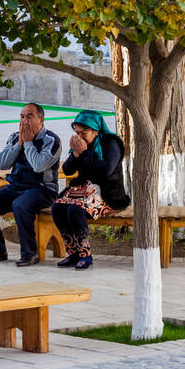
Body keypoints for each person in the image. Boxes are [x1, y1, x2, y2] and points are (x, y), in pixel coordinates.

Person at [0, 102, 62, 266]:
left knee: (20, 205)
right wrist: (19, 144)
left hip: (42, 189)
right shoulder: (15, 137)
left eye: (29, 116)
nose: (24, 121)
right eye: (22, 116)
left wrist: (29, 142)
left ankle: (30, 254)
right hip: (16, 187)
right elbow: (2, 164)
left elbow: (38, 166)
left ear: (41, 120)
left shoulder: (51, 140)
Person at [52, 110, 131, 270]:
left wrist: (85, 152)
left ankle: (85, 255)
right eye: (77, 132)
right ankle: (73, 253)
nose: (80, 136)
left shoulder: (111, 143)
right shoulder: (81, 145)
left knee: (74, 210)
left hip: (108, 194)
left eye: (84, 132)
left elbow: (105, 171)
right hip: (84, 191)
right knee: (58, 208)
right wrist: (75, 154)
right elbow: (67, 170)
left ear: (95, 130)